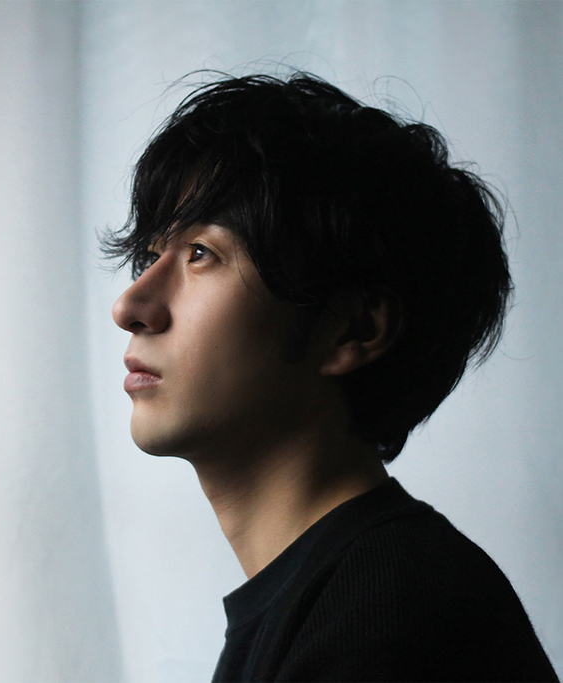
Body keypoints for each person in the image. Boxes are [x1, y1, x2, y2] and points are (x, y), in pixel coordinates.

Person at [106, 72, 558, 682]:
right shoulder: (347, 594)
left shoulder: (391, 617)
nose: (130, 306)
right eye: (151, 255)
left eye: (202, 254)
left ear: (352, 329)